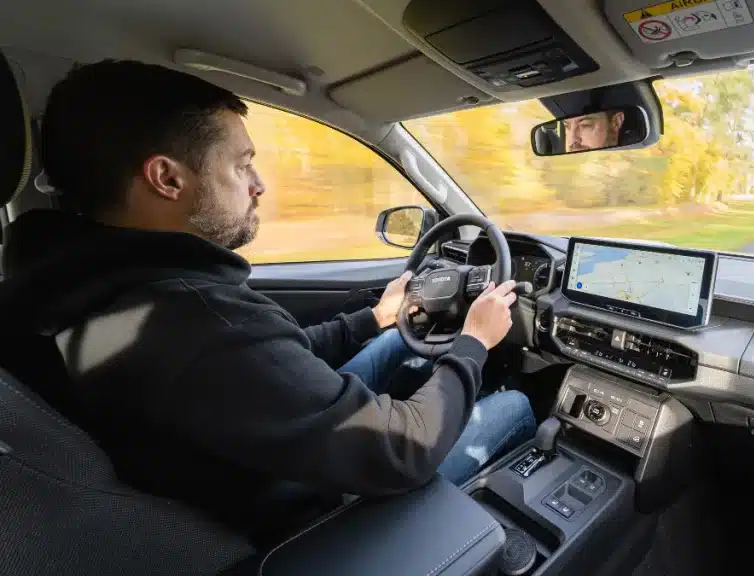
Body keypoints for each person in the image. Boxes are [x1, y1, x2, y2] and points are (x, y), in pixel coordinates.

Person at [0, 60, 536, 542]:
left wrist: (373, 320)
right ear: (167, 178)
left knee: (397, 341)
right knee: (514, 405)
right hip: (305, 520)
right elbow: (404, 451)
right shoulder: (193, 318)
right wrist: (473, 343)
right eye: (241, 164)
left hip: (234, 470)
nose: (258, 185)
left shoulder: (73, 282)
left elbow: (271, 363)